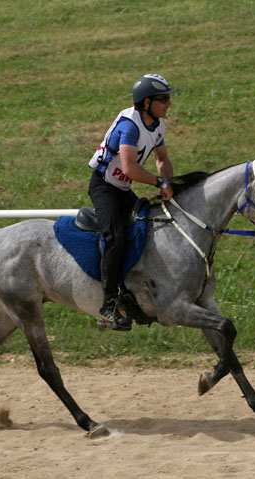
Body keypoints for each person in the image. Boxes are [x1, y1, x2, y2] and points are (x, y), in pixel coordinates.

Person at [88, 73, 176, 331]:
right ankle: (107, 307)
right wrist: (158, 184)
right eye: (164, 99)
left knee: (147, 227)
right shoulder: (130, 126)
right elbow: (128, 168)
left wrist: (167, 180)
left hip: (123, 189)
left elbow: (161, 160)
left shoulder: (158, 125)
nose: (169, 104)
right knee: (115, 237)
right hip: (104, 188)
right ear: (146, 102)